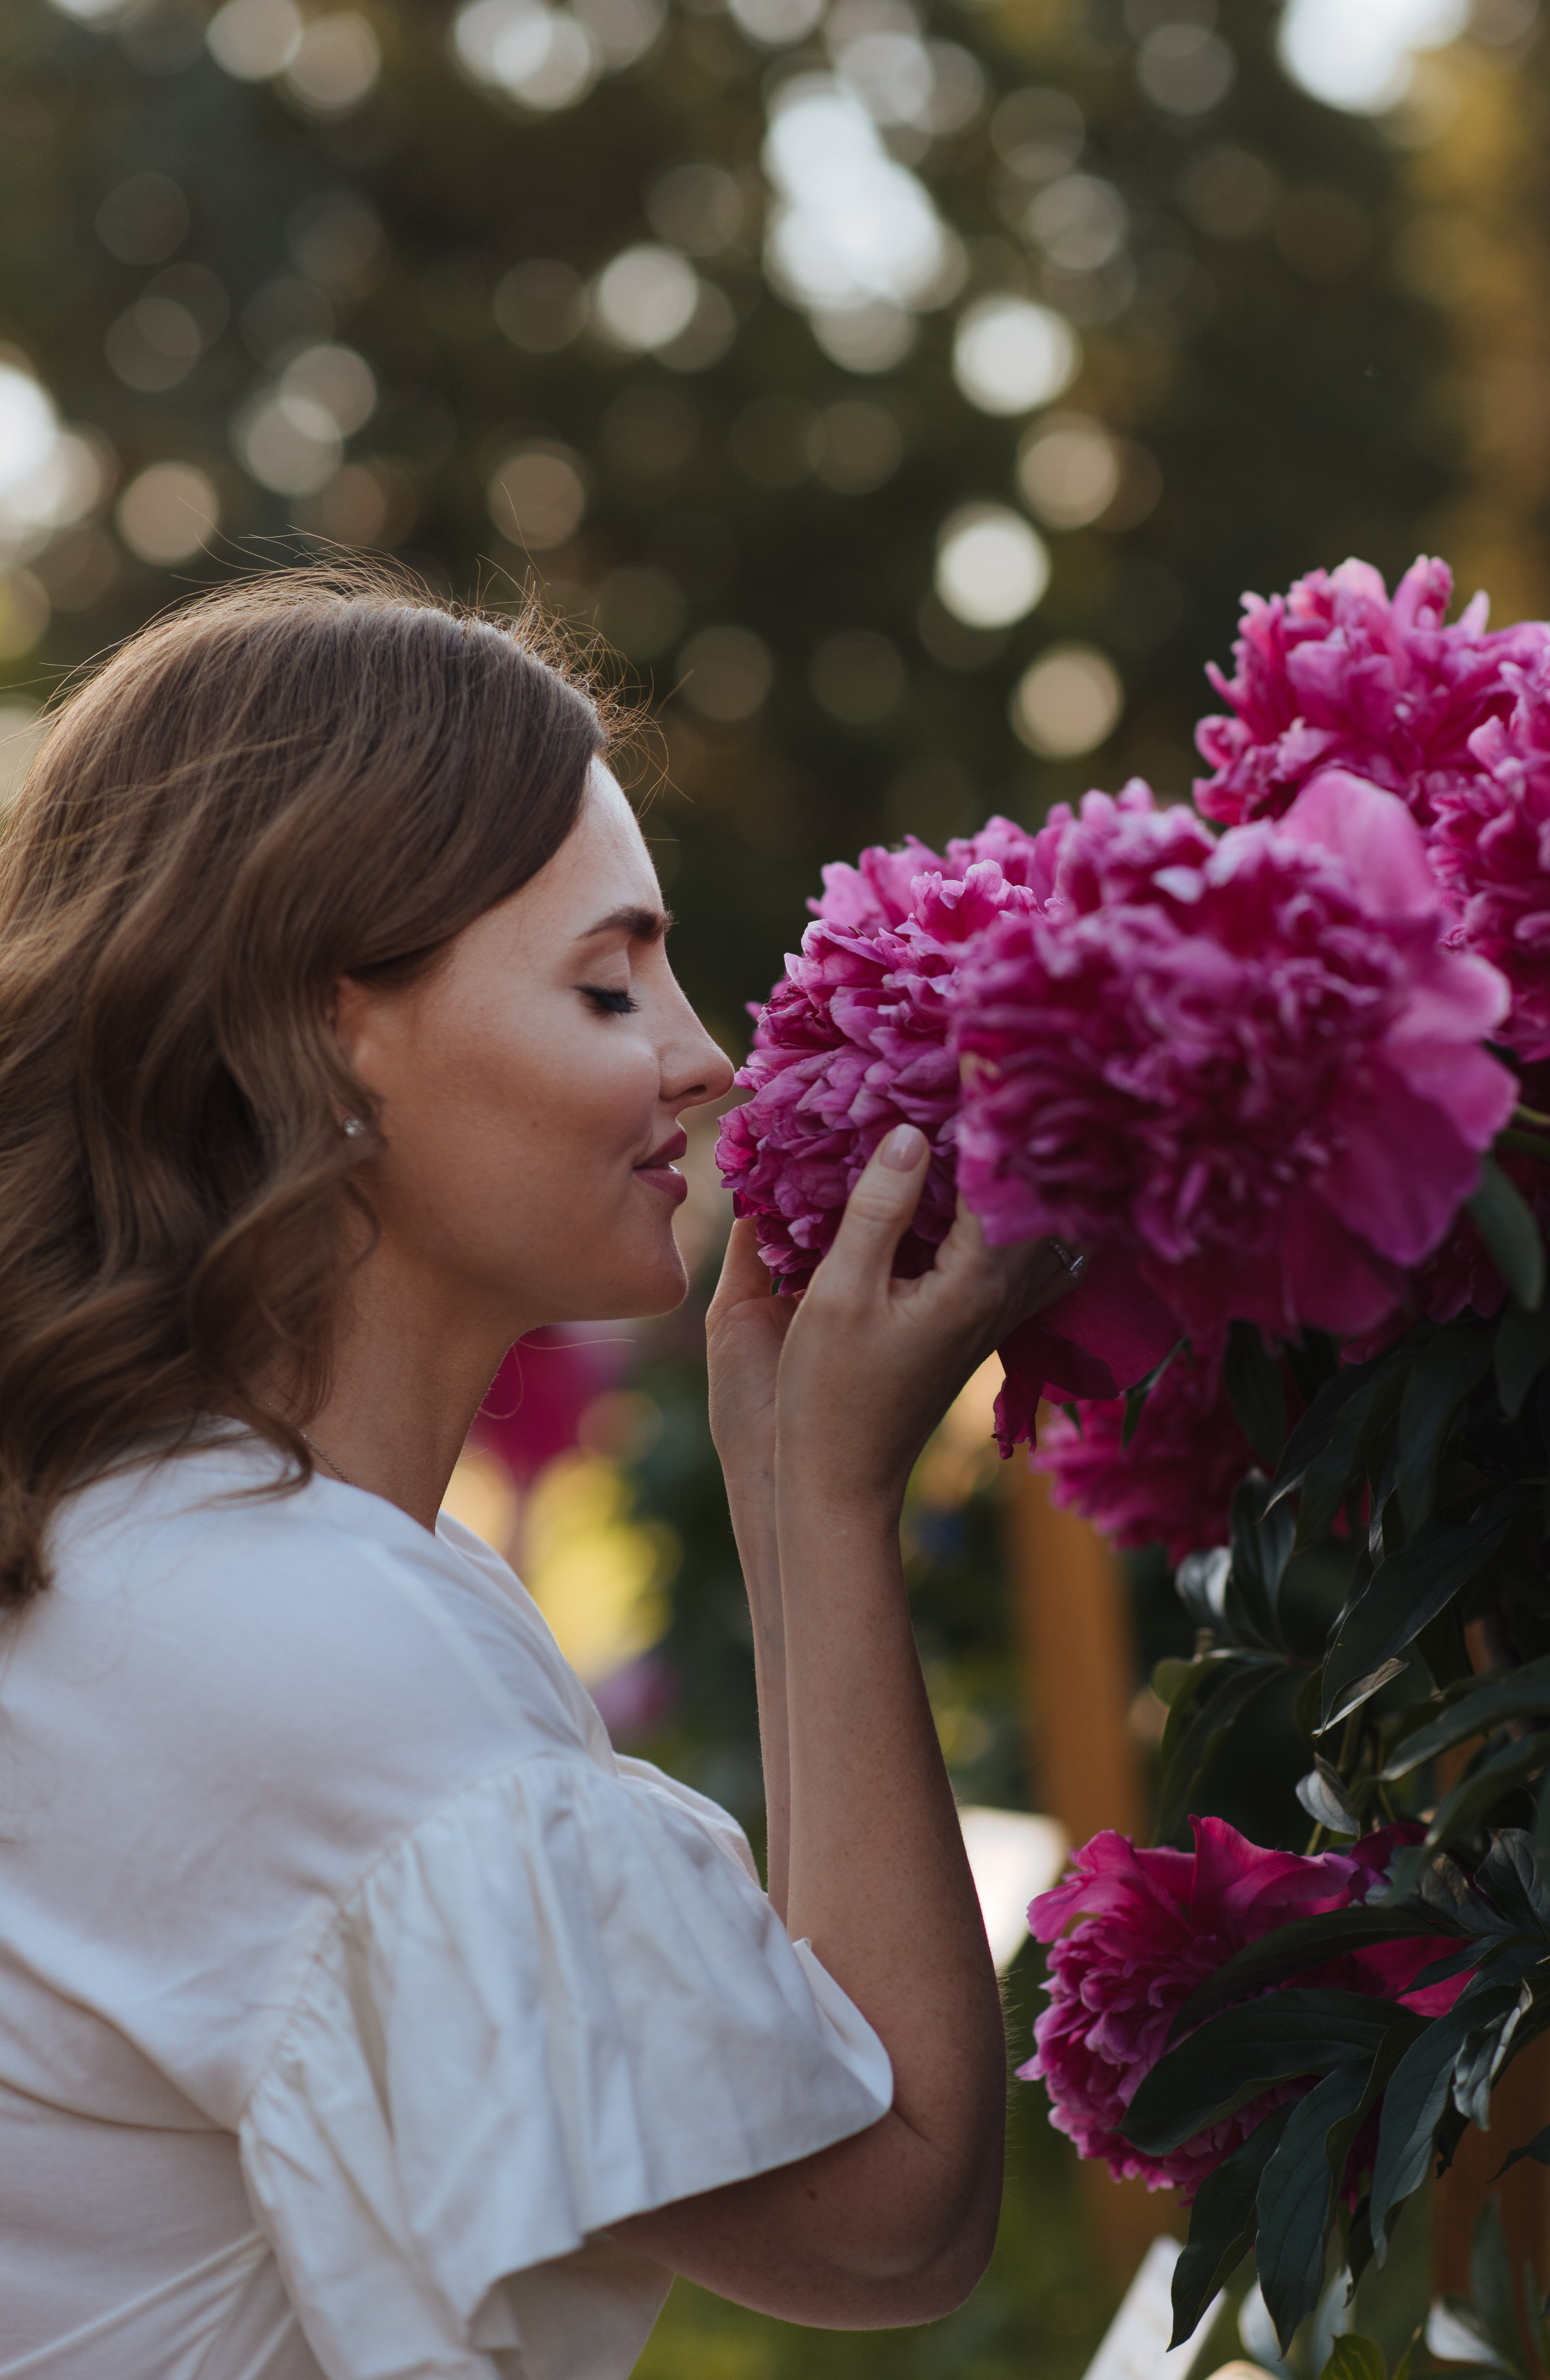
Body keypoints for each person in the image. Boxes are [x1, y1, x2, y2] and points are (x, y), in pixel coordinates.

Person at [0, 567, 1067, 2380]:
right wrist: (822, 1505)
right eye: (609, 983)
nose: (704, 1059)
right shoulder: (305, 1646)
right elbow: (893, 2207)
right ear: (331, 1024)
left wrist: (777, 1474)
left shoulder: (164, 1548)